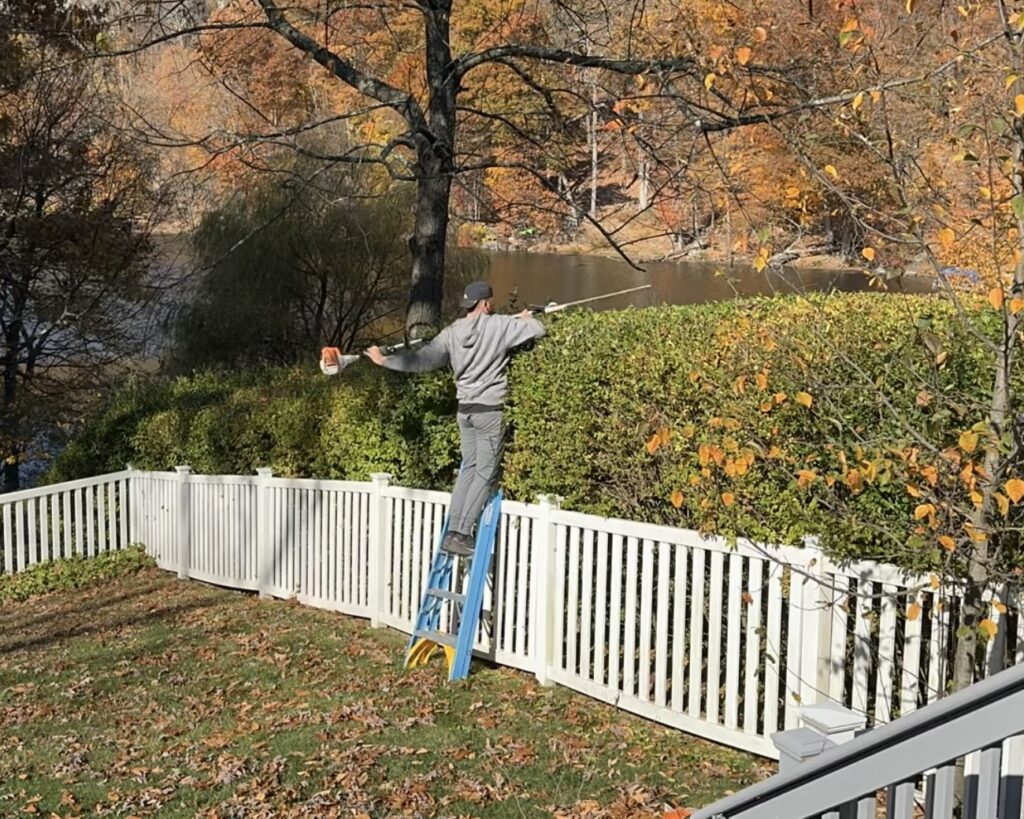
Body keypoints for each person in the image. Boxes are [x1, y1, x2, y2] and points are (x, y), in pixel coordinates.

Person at [364, 281, 545, 556]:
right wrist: (526, 318)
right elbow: (538, 330)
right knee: (485, 473)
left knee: (468, 470)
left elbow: (422, 361)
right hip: (489, 411)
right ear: (485, 304)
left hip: (465, 412)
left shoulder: (452, 332)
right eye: (490, 302)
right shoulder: (499, 325)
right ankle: (461, 534)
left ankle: (452, 532)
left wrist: (384, 360)